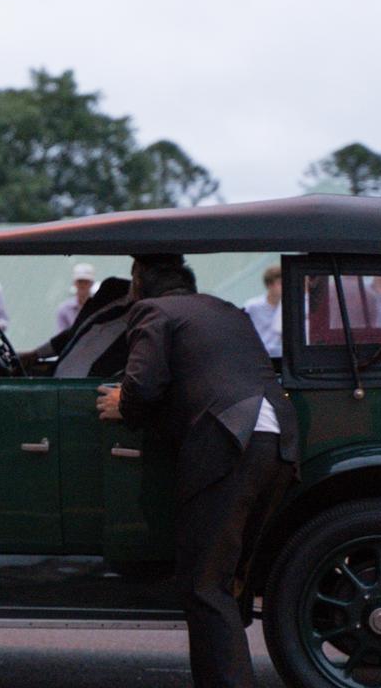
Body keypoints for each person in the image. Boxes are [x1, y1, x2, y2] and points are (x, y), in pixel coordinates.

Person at [96, 254, 298, 688]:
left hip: (228, 443)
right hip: (279, 440)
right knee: (223, 580)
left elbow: (144, 386)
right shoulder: (226, 308)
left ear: (138, 281)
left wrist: (123, 404)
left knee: (205, 585)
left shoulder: (152, 310)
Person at [243, 264, 282, 358]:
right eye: (280, 283)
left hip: (280, 358)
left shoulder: (289, 306)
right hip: (257, 358)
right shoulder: (252, 306)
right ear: (270, 285)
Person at [55, 262, 96, 332]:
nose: (82, 285)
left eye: (86, 282)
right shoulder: (64, 309)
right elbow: (61, 335)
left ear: (91, 283)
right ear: (75, 283)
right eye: (80, 281)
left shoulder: (100, 307)